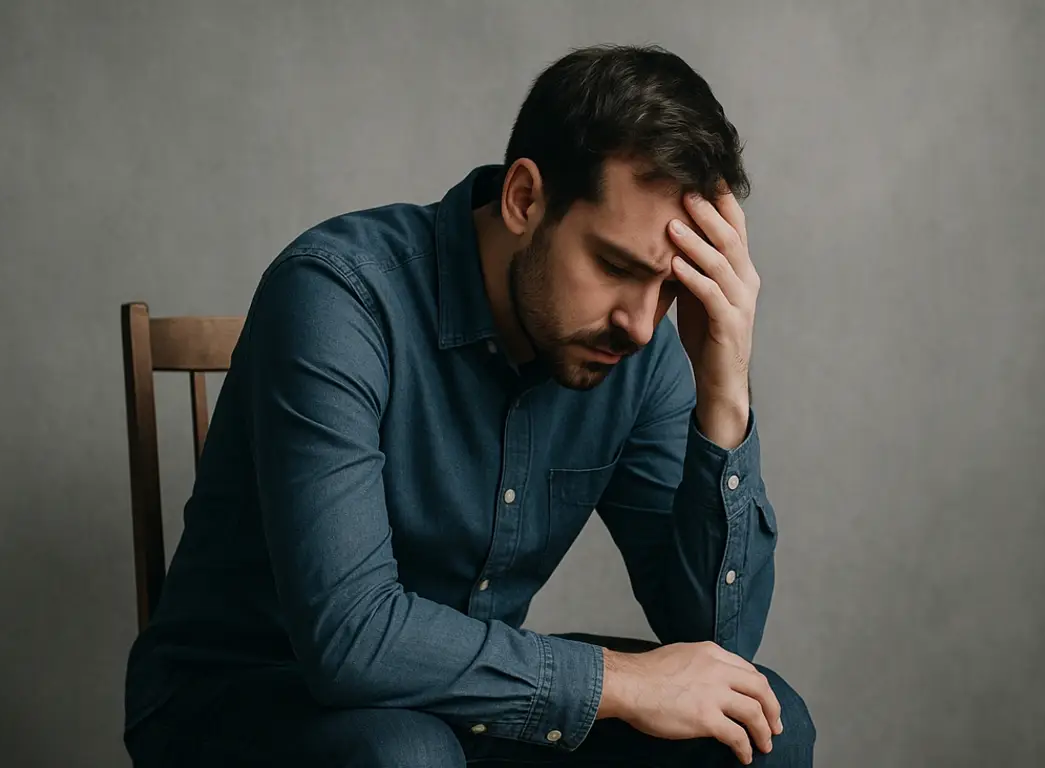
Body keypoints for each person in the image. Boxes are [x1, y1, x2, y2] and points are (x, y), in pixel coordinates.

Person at [123, 43, 816, 767]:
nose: (641, 324)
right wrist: (618, 681)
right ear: (524, 199)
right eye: (615, 266)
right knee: (406, 753)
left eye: (669, 285)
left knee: (761, 727)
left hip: (467, 708)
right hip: (246, 696)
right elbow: (350, 638)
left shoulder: (637, 353)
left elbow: (717, 646)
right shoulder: (337, 297)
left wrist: (723, 392)